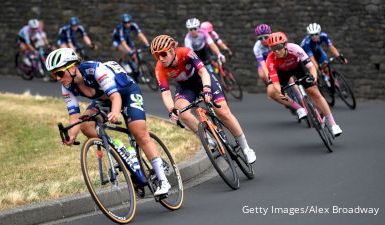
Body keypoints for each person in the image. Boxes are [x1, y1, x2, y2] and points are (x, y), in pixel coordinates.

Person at [45, 48, 170, 196]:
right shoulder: (66, 87)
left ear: (72, 68)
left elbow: (116, 96)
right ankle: (119, 147)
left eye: (60, 73)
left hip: (126, 92)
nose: (58, 78)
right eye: (54, 74)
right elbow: (74, 115)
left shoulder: (95, 69)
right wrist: (72, 136)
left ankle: (163, 181)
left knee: (139, 133)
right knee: (86, 124)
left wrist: (116, 112)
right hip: (104, 99)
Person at [150, 34, 256, 164]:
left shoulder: (186, 52)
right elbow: (165, 93)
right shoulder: (159, 68)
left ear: (172, 50)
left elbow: (203, 72)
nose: (161, 58)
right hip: (185, 87)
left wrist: (206, 88)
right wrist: (172, 110)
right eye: (156, 55)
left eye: (163, 54)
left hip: (202, 79)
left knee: (223, 112)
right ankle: (207, 140)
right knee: (182, 111)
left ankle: (246, 148)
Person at [265, 32, 343, 136]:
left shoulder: (295, 48)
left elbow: (311, 67)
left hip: (298, 67)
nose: (277, 51)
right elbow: (275, 82)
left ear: (285, 44)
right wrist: (280, 91)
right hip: (282, 72)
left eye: (279, 47)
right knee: (271, 92)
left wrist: (313, 77)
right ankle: (299, 108)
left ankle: (333, 124)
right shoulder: (270, 59)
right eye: (273, 48)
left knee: (314, 91)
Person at [112, 13, 150, 81]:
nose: (127, 24)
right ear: (123, 23)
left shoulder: (134, 25)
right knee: (126, 51)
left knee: (134, 54)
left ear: (131, 21)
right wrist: (130, 51)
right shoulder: (120, 28)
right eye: (125, 23)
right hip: (117, 40)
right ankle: (124, 63)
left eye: (128, 22)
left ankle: (137, 70)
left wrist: (147, 44)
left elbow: (140, 35)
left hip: (126, 38)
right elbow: (123, 43)